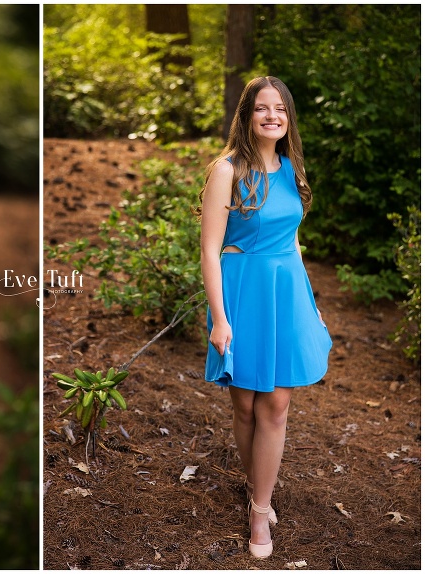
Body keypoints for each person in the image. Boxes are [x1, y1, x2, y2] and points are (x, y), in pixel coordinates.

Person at [196, 76, 332, 559]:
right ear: (247, 115)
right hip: (242, 290)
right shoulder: (226, 170)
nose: (272, 116)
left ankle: (259, 510)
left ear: (288, 117)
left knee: (276, 404)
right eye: (261, 108)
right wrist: (219, 317)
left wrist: (310, 305)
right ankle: (254, 478)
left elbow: (293, 241)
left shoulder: (291, 167)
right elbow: (210, 250)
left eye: (280, 109)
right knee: (245, 405)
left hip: (286, 292)